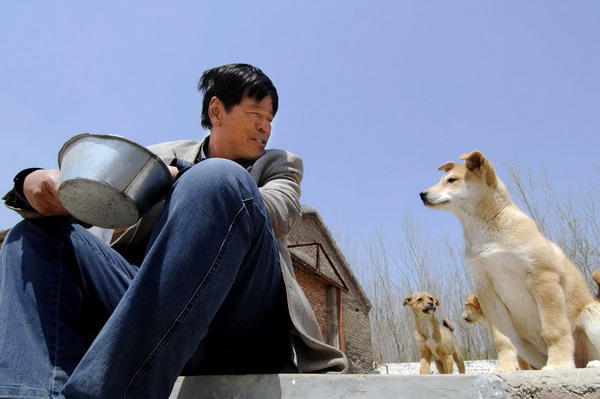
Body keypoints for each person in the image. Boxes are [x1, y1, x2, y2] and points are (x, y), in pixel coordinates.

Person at [0, 63, 347, 399]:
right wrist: (30, 183)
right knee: (30, 237)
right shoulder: (155, 156)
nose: (265, 128)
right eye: (256, 115)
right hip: (151, 315)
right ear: (217, 111)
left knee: (217, 179)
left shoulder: (280, 164)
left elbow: (281, 213)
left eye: (270, 120)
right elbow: (93, 203)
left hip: (241, 326)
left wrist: (182, 176)